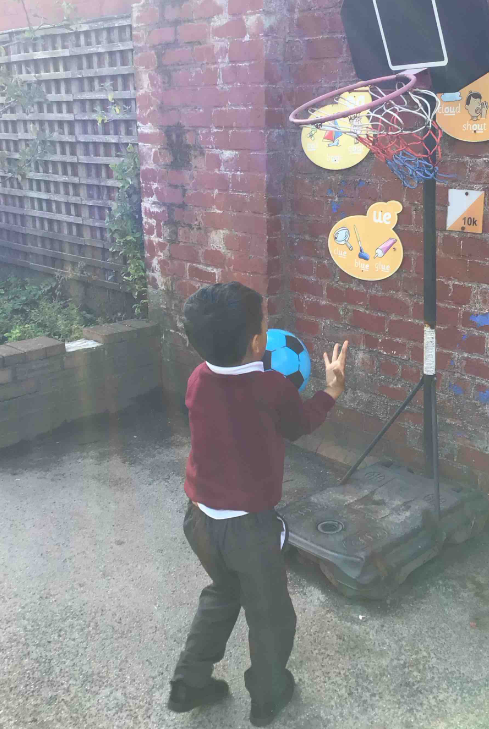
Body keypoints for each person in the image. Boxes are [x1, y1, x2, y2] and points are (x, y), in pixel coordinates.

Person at [168, 282, 349, 726]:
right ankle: (269, 694)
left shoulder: (197, 379)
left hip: (200, 519)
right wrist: (331, 391)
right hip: (248, 529)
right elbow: (299, 424)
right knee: (270, 615)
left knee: (224, 591)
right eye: (265, 325)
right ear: (256, 342)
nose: (268, 330)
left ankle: (188, 684)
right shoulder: (271, 387)